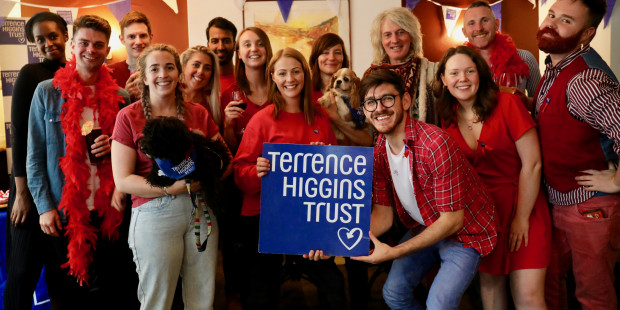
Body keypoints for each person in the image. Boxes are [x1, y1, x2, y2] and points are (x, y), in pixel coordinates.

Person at [350, 69, 497, 309]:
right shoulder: (379, 148)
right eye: (370, 103)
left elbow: (452, 221)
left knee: (438, 305)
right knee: (394, 293)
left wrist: (394, 252)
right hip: (425, 223)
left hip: (465, 233)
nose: (379, 108)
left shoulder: (435, 144)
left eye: (387, 99)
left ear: (405, 100)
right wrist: (334, 244)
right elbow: (383, 217)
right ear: (365, 111)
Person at [111, 43, 231, 310]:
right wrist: (172, 188)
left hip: (201, 208)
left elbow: (226, 159)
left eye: (169, 67)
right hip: (154, 212)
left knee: (202, 298)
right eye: (154, 69)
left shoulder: (197, 113)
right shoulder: (128, 117)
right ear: (143, 76)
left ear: (179, 73)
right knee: (157, 300)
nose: (163, 74)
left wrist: (210, 172)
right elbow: (123, 180)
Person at [26, 15, 132, 309]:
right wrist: (44, 206)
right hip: (64, 211)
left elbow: (133, 154)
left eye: (98, 45)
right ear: (72, 44)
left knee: (111, 289)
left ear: (107, 50)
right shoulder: (47, 92)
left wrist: (114, 147)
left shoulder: (121, 97)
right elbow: (34, 155)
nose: (91, 50)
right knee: (68, 294)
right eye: (84, 42)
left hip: (109, 209)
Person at [435, 46, 550, 310]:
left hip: (524, 203)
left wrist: (521, 218)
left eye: (469, 71)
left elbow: (533, 163)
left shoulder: (508, 104)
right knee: (491, 292)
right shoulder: (447, 118)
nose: (462, 78)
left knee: (529, 297)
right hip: (483, 215)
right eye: (454, 73)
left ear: (480, 74)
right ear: (443, 79)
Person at [233, 47, 346, 310]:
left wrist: (326, 161)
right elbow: (240, 172)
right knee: (261, 289)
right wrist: (257, 171)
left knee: (333, 284)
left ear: (305, 75)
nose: (290, 79)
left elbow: (334, 180)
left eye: (296, 72)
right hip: (264, 216)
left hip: (307, 217)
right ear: (273, 76)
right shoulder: (261, 120)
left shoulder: (319, 119)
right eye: (282, 73)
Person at [534, 0, 620, 309]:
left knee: (593, 297)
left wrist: (616, 180)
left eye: (566, 21)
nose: (552, 23)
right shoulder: (555, 65)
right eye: (552, 15)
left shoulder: (586, 81)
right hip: (557, 199)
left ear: (587, 33)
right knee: (553, 287)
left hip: (589, 206)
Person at [5, 11, 67, 310]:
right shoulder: (31, 74)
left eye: (52, 36)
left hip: (62, 191)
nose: (47, 44)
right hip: (29, 188)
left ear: (66, 36)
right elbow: (19, 135)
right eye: (39, 40)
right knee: (21, 270)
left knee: (61, 272)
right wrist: (22, 195)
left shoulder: (78, 74)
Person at [365, 7, 437, 124]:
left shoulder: (432, 71)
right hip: (380, 142)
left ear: (411, 36)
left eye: (400, 32)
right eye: (387, 35)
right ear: (381, 41)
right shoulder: (371, 75)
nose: (394, 40)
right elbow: (362, 122)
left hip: (424, 140)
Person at [462, 1, 541, 97]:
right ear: (464, 32)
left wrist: (520, 101)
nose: (479, 28)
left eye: (484, 20)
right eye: (471, 23)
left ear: (496, 24)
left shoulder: (525, 58)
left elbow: (539, 104)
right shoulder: (458, 65)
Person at [309, 32, 373, 148]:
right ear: (316, 58)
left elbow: (368, 141)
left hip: (351, 158)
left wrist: (336, 118)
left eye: (337, 52)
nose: (332, 57)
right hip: (318, 157)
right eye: (325, 52)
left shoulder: (359, 92)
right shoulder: (307, 93)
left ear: (343, 58)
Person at [220, 27, 273, 153]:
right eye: (247, 44)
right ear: (239, 54)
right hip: (245, 169)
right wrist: (228, 125)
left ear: (267, 50)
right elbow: (232, 152)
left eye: (260, 44)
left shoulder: (281, 91)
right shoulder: (229, 95)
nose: (254, 49)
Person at [109, 10, 153, 101]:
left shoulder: (162, 71)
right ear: (122, 39)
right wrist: (125, 96)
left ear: (150, 37)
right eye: (131, 37)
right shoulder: (109, 73)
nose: (138, 42)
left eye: (143, 36)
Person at [180, 45, 222, 126]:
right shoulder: (170, 95)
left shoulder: (214, 104)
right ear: (183, 66)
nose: (201, 71)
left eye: (207, 68)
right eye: (196, 65)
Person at [207, 17, 237, 92]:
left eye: (226, 41)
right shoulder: (202, 81)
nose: (220, 47)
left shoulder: (247, 79)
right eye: (215, 41)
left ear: (234, 45)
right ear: (208, 45)